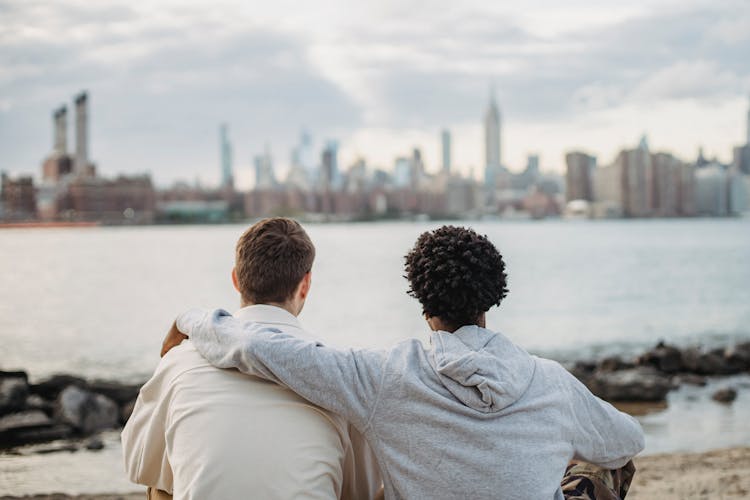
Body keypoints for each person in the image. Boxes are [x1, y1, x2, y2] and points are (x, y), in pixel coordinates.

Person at [169, 225, 645, 499]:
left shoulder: (381, 377)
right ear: (491, 299)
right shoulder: (550, 382)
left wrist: (190, 320)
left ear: (421, 300)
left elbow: (261, 348)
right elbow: (627, 442)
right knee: (606, 467)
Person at [122, 218, 381, 500]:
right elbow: (359, 492)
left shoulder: (181, 361)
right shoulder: (340, 377)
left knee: (159, 484)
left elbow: (137, 462)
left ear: (235, 278)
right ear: (305, 285)